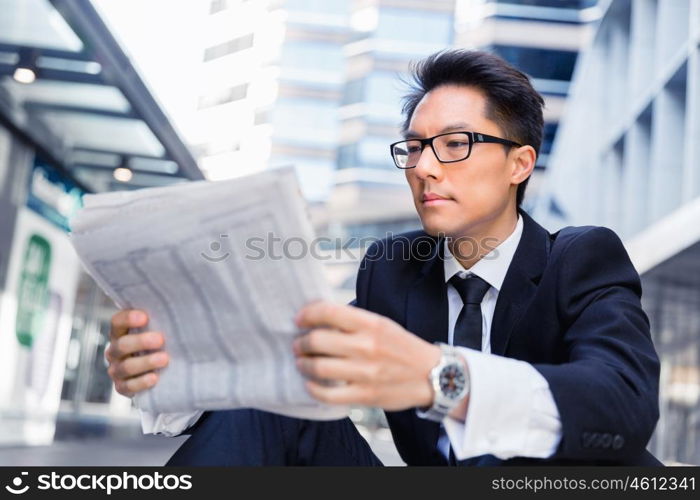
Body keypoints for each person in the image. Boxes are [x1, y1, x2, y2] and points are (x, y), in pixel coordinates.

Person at [105, 49, 662, 466]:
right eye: (415, 147)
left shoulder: (580, 257)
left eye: (455, 143)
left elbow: (623, 405)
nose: (424, 167)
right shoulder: (393, 268)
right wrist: (170, 369)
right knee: (272, 402)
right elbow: (284, 369)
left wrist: (439, 378)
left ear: (520, 164)